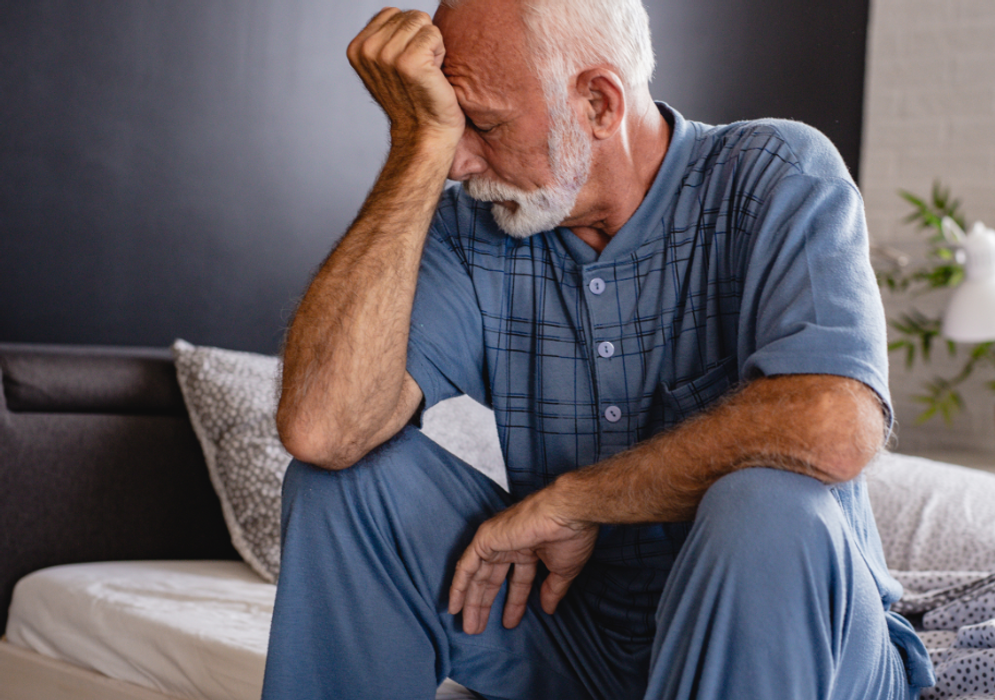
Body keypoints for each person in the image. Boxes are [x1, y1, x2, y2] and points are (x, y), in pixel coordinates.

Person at [262, 1, 935, 698]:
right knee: (343, 483)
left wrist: (579, 501)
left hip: (801, 642)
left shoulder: (773, 172)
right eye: (447, 127)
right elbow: (323, 430)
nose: (459, 164)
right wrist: (415, 145)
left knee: (765, 506)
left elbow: (833, 427)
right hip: (583, 635)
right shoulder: (471, 228)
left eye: (482, 125)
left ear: (597, 104)